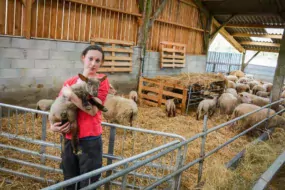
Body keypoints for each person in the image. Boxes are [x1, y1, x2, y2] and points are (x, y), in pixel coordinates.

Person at [49, 45, 109, 189]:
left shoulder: (101, 81)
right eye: (90, 59)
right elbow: (58, 105)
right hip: (69, 138)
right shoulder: (70, 82)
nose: (93, 63)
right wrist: (52, 126)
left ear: (101, 63)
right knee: (69, 179)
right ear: (83, 58)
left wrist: (71, 95)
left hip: (90, 140)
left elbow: (93, 110)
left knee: (88, 182)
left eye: (97, 60)